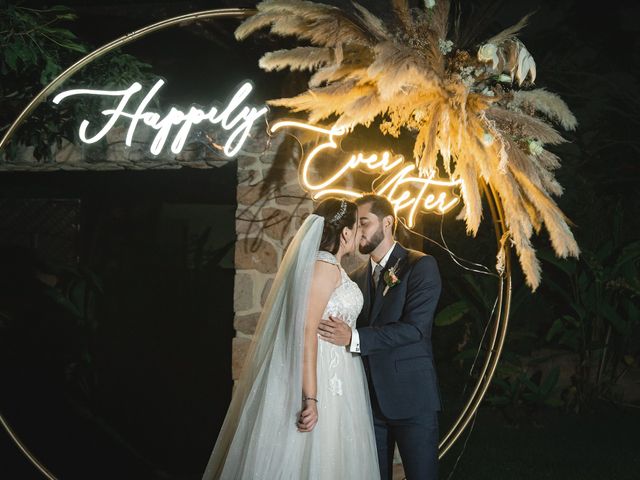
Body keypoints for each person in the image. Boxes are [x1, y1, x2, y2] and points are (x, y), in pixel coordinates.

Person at [202, 197, 380, 479]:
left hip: (340, 375)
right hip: (322, 375)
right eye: (357, 226)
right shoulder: (325, 266)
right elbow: (307, 329)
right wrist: (311, 397)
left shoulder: (332, 266)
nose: (359, 232)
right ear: (345, 232)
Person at [319, 194, 442, 480]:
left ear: (387, 222)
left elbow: (415, 329)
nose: (358, 230)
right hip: (367, 404)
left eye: (364, 222)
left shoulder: (420, 265)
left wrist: (354, 338)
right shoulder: (356, 277)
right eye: (356, 224)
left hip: (412, 399)